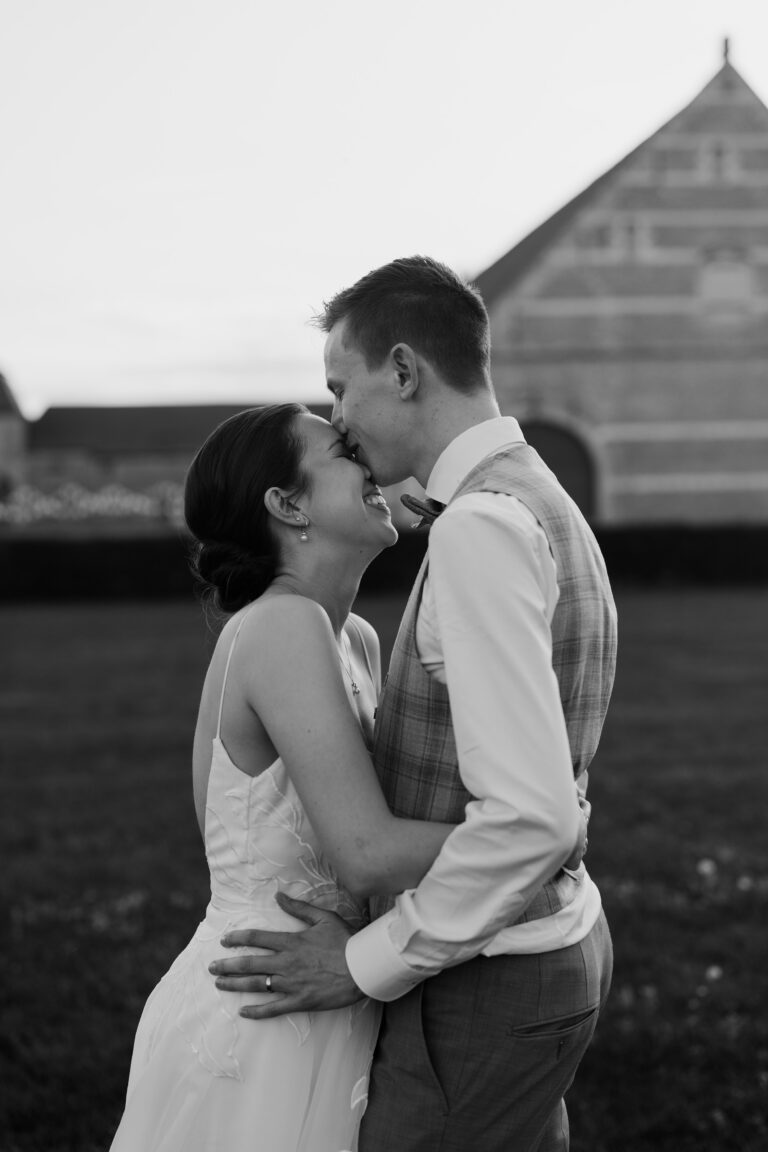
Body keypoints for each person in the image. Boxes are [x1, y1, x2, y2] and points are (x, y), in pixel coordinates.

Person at [209, 256, 618, 1152]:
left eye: (339, 387)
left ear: (402, 370)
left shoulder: (480, 526)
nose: (341, 422)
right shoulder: (540, 498)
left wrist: (364, 963)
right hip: (537, 953)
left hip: (488, 978)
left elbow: (531, 820)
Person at [108, 402, 460, 1152]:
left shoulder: (355, 638)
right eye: (344, 452)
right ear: (288, 503)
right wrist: (538, 834)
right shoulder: (279, 626)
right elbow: (366, 849)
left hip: (338, 989)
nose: (370, 463)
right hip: (263, 1013)